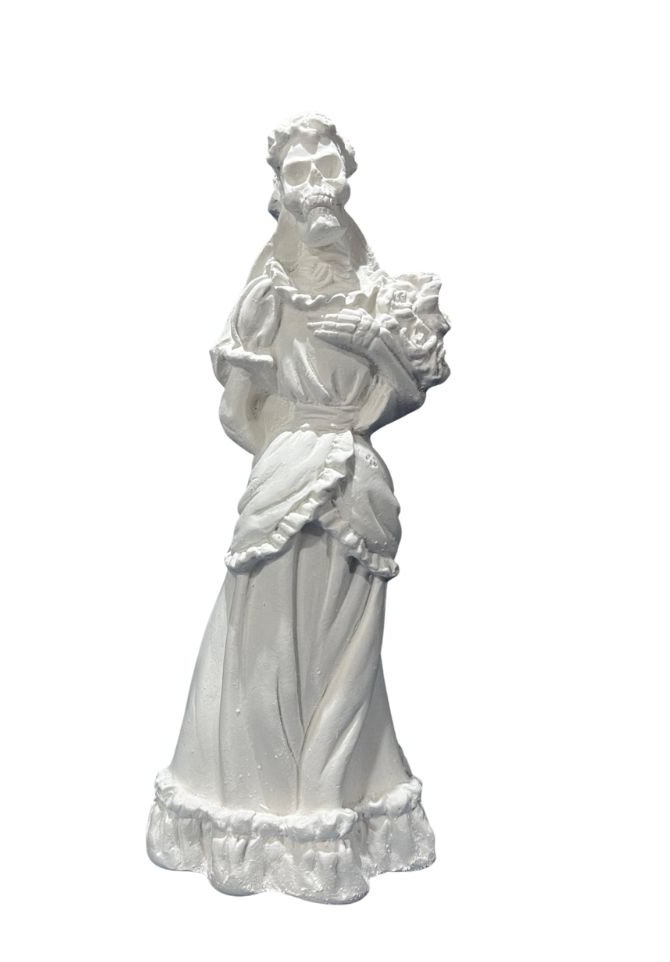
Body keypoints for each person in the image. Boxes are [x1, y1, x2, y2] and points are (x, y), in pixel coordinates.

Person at [147, 114, 449, 903]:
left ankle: (330, 803)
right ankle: (259, 811)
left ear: (346, 178)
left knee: (347, 656)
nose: (315, 185)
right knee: (265, 648)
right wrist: (283, 454)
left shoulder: (381, 294)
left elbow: (407, 394)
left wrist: (375, 346)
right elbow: (238, 407)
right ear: (277, 191)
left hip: (358, 485)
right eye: (298, 172)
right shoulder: (267, 294)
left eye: (326, 168)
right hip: (287, 476)